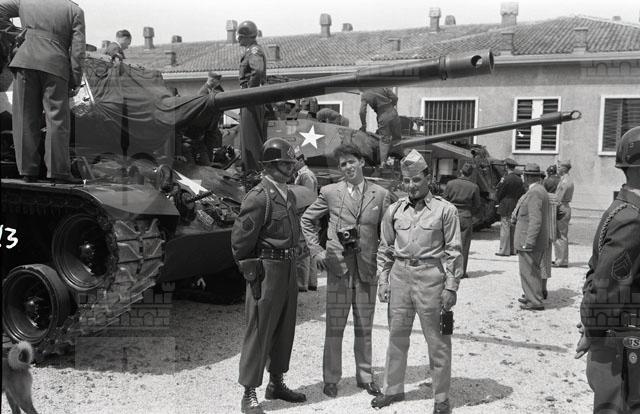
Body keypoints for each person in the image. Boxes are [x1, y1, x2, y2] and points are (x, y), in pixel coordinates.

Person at [301, 143, 393, 399]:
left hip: (367, 269)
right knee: (335, 327)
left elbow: (388, 233)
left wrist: (386, 264)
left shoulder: (380, 194)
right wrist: (316, 250)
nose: (348, 167)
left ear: (361, 162)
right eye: (343, 164)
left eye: (351, 161)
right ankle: (331, 379)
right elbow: (307, 220)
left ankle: (365, 376)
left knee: (364, 327)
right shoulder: (330, 192)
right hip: (339, 269)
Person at [373, 149, 462, 413]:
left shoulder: (445, 210)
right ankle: (392, 390)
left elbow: (454, 251)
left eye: (416, 180)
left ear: (428, 178)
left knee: (438, 341)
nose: (411, 185)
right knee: (396, 336)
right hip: (400, 276)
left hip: (431, 278)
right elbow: (385, 248)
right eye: (406, 180)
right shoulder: (394, 210)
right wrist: (383, 280)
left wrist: (451, 287)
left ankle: (441, 398)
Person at [231, 137, 307, 414]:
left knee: (285, 327)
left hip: (287, 268)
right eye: (286, 163)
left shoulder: (288, 195)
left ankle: (276, 382)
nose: (291, 167)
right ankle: (249, 392)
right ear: (271, 166)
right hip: (267, 271)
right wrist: (252, 271)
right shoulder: (259, 196)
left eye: (291, 163)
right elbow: (240, 242)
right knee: (259, 330)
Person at [577, 126, 640, 414]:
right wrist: (593, 327)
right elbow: (605, 288)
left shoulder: (623, 209)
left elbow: (596, 274)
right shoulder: (632, 220)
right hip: (623, 346)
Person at [0, 0, 85, 183]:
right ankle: (58, 172)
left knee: (25, 118)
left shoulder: (26, 2)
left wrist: (18, 34)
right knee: (56, 120)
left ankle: (27, 171)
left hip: (25, 61)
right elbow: (78, 50)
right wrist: (75, 79)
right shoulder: (74, 10)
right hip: (55, 64)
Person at [512, 163, 550, 311]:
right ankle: (530, 295)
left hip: (528, 240)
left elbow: (535, 220)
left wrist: (530, 241)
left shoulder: (535, 192)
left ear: (527, 177)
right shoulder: (539, 190)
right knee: (531, 270)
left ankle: (535, 301)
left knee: (529, 271)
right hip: (531, 239)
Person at [237, 20, 267, 181]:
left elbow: (258, 70)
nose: (238, 39)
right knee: (246, 139)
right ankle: (250, 172)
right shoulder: (250, 50)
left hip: (251, 98)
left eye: (241, 36)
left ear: (248, 37)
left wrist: (249, 91)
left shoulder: (254, 51)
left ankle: (254, 175)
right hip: (250, 98)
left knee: (251, 139)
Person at [443, 162, 481, 278]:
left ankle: (450, 270)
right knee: (464, 245)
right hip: (466, 216)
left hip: (452, 216)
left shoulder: (450, 184)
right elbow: (477, 205)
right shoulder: (474, 187)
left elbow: (444, 200)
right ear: (471, 174)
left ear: (460, 171)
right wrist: (470, 213)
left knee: (450, 244)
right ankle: (461, 272)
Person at [293, 147, 318, 292]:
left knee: (302, 249)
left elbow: (306, 198)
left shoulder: (305, 176)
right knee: (309, 249)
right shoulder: (304, 174)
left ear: (301, 160)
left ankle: (302, 283)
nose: (292, 164)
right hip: (308, 216)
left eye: (295, 161)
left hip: (304, 216)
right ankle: (311, 282)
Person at [359, 87, 401, 167]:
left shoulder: (365, 95)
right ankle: (400, 160)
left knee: (384, 140)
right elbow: (395, 98)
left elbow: (362, 111)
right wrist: (391, 106)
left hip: (382, 115)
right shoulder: (382, 87)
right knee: (397, 138)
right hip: (393, 113)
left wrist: (364, 125)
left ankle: (383, 164)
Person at [496, 158, 525, 256]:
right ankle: (513, 249)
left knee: (505, 227)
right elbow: (522, 193)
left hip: (505, 203)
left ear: (506, 166)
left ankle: (504, 250)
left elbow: (500, 192)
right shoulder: (519, 179)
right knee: (513, 227)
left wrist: (498, 200)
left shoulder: (505, 178)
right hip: (515, 203)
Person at [540, 166, 560, 299]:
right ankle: (544, 288)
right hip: (551, 233)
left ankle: (536, 289)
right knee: (547, 261)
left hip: (541, 233)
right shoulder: (556, 199)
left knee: (537, 261)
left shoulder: (542, 197)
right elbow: (561, 213)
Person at [553, 160, 574, 268]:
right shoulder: (565, 179)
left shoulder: (565, 181)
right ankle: (560, 258)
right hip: (564, 206)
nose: (558, 169)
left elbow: (558, 197)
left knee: (560, 235)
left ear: (564, 168)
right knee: (560, 234)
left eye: (559, 167)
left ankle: (561, 260)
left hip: (562, 207)